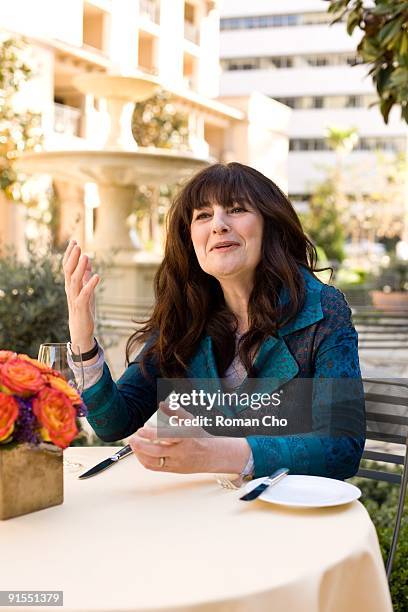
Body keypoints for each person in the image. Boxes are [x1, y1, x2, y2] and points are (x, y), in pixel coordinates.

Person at [63, 162, 365, 480]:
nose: (218, 225)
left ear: (269, 225)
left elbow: (341, 449)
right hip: (203, 509)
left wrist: (213, 452)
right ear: (190, 239)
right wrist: (83, 340)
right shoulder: (186, 316)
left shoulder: (321, 310)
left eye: (236, 209)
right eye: (203, 215)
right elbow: (114, 423)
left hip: (287, 514)